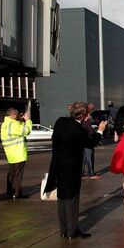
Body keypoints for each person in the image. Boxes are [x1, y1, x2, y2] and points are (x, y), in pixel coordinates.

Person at [44, 102, 107, 240]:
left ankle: (64, 230)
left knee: (62, 198)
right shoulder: (79, 130)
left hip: (58, 165)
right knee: (72, 199)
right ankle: (72, 231)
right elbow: (91, 142)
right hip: (72, 167)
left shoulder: (60, 122)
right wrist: (100, 130)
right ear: (84, 116)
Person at [0, 107, 32, 199]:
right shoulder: (13, 125)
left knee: (11, 174)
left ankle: (10, 192)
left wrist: (21, 120)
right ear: (13, 115)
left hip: (10, 153)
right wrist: (28, 121)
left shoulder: (6, 124)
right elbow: (26, 131)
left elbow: (18, 128)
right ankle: (17, 194)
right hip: (18, 153)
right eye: (17, 115)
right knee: (18, 175)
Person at [81, 102, 99, 179]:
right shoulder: (87, 122)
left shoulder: (81, 122)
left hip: (82, 143)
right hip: (88, 143)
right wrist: (97, 133)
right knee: (89, 158)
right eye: (89, 114)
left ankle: (81, 173)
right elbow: (91, 132)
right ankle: (91, 173)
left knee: (84, 158)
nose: (90, 116)